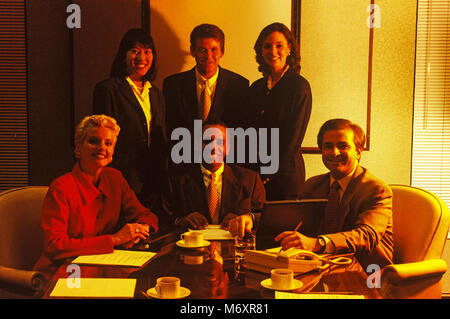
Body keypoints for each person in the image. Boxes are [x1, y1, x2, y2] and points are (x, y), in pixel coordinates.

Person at [33, 115, 159, 279]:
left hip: (102, 269)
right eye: (93, 141)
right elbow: (55, 246)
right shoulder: (61, 187)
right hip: (64, 273)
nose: (102, 148)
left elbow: (146, 216)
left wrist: (138, 231)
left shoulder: (115, 178)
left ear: (113, 150)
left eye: (108, 143)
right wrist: (115, 239)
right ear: (78, 148)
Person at [275, 119, 394, 269]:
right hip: (321, 267)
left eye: (342, 146)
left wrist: (318, 243)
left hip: (367, 273)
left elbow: (366, 235)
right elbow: (288, 217)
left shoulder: (376, 189)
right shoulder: (312, 185)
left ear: (358, 151)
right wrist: (252, 218)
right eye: (328, 146)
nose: (334, 152)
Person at [93, 28, 167, 207]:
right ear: (123, 56)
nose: (142, 58)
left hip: (152, 182)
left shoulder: (156, 93)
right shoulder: (108, 89)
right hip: (122, 178)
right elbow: (103, 139)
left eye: (147, 52)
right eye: (134, 51)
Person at [242, 22, 312, 201]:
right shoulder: (256, 88)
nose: (273, 52)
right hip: (255, 175)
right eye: (267, 46)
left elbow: (292, 140)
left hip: (285, 177)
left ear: (289, 48)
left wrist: (267, 174)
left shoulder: (299, 86)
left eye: (279, 45)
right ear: (260, 51)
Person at [159, 120, 266, 237]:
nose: (214, 147)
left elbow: (265, 217)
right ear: (197, 145)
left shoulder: (250, 179)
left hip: (234, 248)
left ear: (228, 147)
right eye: (207, 141)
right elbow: (162, 218)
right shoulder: (176, 180)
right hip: (193, 249)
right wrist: (181, 220)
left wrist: (249, 217)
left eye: (221, 142)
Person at [163, 23, 249, 139]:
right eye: (203, 50)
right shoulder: (173, 85)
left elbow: (240, 132)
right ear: (193, 51)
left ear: (222, 52)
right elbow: (170, 130)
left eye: (214, 50)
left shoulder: (239, 86)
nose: (209, 56)